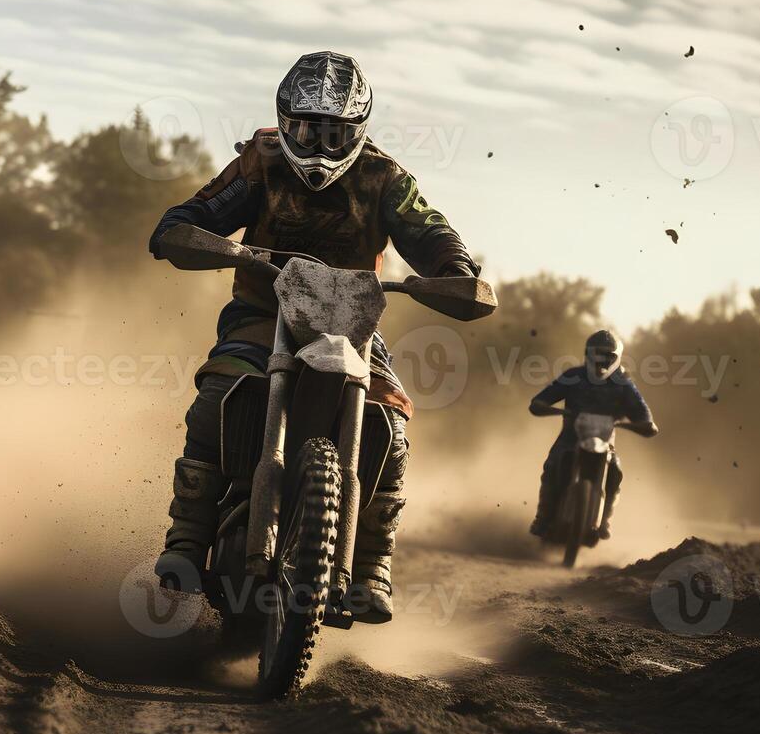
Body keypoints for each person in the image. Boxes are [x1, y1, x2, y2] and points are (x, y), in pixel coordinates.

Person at [147, 51, 479, 623]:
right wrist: (191, 234)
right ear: (284, 119)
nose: (319, 145)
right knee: (213, 402)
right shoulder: (262, 162)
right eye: (305, 128)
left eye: (335, 133)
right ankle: (185, 542)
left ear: (358, 130)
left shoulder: (386, 177)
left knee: (393, 428)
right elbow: (195, 214)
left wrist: (456, 269)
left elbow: (431, 231)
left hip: (354, 323)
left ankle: (372, 563)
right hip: (263, 311)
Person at [528, 330, 657, 539]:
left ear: (617, 358)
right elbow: (539, 402)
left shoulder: (624, 385)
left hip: (606, 444)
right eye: (598, 354)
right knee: (553, 464)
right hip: (570, 439)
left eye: (608, 356)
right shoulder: (572, 377)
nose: (602, 361)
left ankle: (605, 521)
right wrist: (553, 409)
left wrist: (645, 425)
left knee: (615, 471)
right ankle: (543, 517)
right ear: (588, 354)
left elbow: (644, 417)